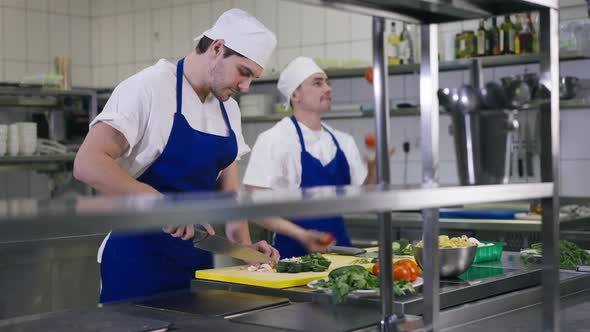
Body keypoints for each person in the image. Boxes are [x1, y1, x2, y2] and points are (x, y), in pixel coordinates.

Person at [74, 8, 279, 303]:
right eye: (243, 73)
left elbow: (230, 196)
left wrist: (246, 251)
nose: (245, 87)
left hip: (196, 263)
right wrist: (162, 204)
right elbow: (88, 162)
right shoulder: (147, 89)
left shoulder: (228, 109)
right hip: (137, 263)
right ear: (217, 48)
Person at [243, 57, 378, 259]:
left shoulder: (343, 141)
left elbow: (365, 197)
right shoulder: (274, 139)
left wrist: (375, 166)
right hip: (293, 254)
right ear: (295, 94)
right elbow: (256, 209)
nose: (328, 88)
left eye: (327, 82)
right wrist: (302, 235)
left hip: (341, 250)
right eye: (318, 82)